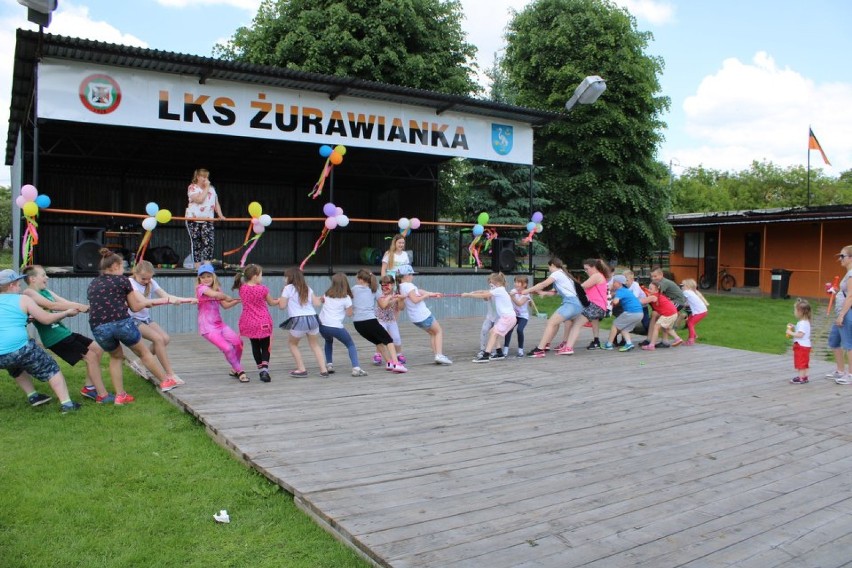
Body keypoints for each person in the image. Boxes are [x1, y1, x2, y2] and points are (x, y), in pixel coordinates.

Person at [88, 249, 181, 403]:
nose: (124, 270)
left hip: (98, 327)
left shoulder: (93, 283)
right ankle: (165, 380)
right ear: (116, 266)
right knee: (144, 353)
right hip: (121, 323)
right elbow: (135, 307)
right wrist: (150, 303)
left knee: (115, 357)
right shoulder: (123, 281)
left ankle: (120, 396)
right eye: (123, 267)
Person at [21, 265, 112, 403]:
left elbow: (65, 302)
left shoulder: (46, 291)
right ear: (32, 279)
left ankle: (89, 388)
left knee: (97, 349)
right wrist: (77, 308)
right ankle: (102, 395)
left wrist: (87, 307)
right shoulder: (28, 293)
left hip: (63, 332)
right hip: (55, 338)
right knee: (91, 357)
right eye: (43, 275)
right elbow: (52, 306)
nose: (47, 277)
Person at [0, 269, 82, 412]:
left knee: (15, 367)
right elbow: (46, 319)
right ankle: (67, 404)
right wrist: (66, 313)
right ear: (11, 285)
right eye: (18, 284)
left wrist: (25, 319)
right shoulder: (23, 299)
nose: (20, 288)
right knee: (51, 368)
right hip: (20, 349)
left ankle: (33, 396)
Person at [128, 261, 196, 385]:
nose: (147, 281)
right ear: (135, 273)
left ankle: (139, 363)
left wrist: (188, 299)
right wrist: (169, 300)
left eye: (149, 278)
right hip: (131, 319)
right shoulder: (130, 283)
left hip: (145, 318)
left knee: (165, 338)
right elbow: (144, 301)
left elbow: (166, 295)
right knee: (158, 339)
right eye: (144, 278)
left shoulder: (151, 282)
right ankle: (170, 374)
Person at [524, 258, 583, 358]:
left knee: (551, 323)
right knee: (554, 323)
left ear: (552, 265)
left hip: (571, 303)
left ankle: (540, 350)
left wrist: (527, 290)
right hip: (577, 304)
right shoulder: (564, 275)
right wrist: (543, 293)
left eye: (549, 267)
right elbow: (554, 292)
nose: (549, 269)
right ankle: (546, 344)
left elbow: (543, 284)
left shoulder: (556, 274)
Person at [196, 263, 245, 382]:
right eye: (203, 277)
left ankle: (235, 368)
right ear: (199, 279)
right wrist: (225, 296)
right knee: (228, 348)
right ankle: (240, 370)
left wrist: (238, 301)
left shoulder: (217, 289)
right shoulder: (201, 288)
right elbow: (216, 295)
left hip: (219, 324)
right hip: (207, 328)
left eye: (208, 276)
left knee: (238, 343)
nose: (206, 279)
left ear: (213, 277)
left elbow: (225, 305)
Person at [351, 269, 407, 373]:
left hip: (357, 324)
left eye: (357, 279)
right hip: (370, 321)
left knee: (378, 341)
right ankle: (396, 364)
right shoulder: (374, 290)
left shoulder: (353, 289)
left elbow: (383, 306)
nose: (356, 281)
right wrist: (392, 297)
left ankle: (389, 362)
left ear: (361, 280)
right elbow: (384, 305)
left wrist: (392, 298)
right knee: (389, 340)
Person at [396, 265, 452, 365]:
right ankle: (439, 355)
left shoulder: (401, 287)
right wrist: (427, 296)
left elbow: (418, 291)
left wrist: (432, 294)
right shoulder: (409, 286)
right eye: (411, 274)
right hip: (423, 315)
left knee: (432, 333)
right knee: (438, 331)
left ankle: (437, 355)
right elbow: (415, 300)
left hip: (415, 319)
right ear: (406, 275)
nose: (412, 276)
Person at [279, 267, 329, 377]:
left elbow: (282, 306)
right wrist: (321, 298)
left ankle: (301, 369)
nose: (284, 279)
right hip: (313, 319)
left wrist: (281, 298)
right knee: (315, 345)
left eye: (285, 277)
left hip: (299, 320)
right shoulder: (307, 288)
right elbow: (317, 303)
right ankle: (323, 370)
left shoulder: (288, 288)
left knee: (292, 344)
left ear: (290, 278)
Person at [233, 264, 277, 383]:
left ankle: (260, 370)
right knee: (265, 346)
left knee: (255, 346)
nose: (262, 278)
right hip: (263, 321)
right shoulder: (262, 289)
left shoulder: (242, 288)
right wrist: (279, 301)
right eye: (261, 275)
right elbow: (271, 302)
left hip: (248, 322)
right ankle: (265, 370)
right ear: (254, 276)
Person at [319, 273, 368, 377]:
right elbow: (349, 314)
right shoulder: (346, 298)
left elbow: (321, 300)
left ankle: (329, 365)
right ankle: (356, 368)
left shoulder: (326, 294)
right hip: (336, 327)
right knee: (350, 344)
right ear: (345, 284)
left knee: (328, 341)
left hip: (322, 326)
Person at [559, 258, 611, 354]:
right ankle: (594, 341)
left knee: (577, 324)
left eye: (587, 269)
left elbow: (581, 287)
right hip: (597, 307)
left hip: (596, 306)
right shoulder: (598, 276)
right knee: (575, 320)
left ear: (594, 267)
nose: (586, 271)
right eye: (585, 269)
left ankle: (568, 348)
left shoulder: (596, 276)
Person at [464, 273, 517, 363]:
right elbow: (484, 292)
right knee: (493, 331)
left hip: (507, 318)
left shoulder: (499, 290)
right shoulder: (500, 290)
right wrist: (472, 293)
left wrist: (469, 295)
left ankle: (486, 355)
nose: (490, 285)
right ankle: (499, 353)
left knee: (494, 333)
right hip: (508, 318)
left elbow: (484, 295)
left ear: (497, 283)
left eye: (491, 283)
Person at [185, 167, 226, 269]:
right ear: (198, 177)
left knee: (208, 242)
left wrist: (220, 215)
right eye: (203, 177)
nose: (205, 179)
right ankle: (197, 267)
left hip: (208, 219)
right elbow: (199, 199)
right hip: (193, 219)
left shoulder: (212, 189)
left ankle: (207, 266)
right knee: (196, 242)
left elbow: (216, 203)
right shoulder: (192, 187)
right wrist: (207, 188)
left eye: (206, 177)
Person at [641, 267, 687, 347]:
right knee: (655, 314)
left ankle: (663, 341)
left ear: (661, 275)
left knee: (661, 316)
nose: (653, 278)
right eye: (652, 276)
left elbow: (656, 295)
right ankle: (650, 339)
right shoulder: (658, 282)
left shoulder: (662, 283)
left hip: (677, 302)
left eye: (655, 276)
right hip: (671, 301)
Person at [827, 246, 852, 384]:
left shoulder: (851, 274)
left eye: (842, 256)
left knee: (849, 344)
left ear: (851, 258)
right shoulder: (848, 273)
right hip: (840, 313)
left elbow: (850, 296)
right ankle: (840, 371)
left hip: (846, 313)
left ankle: (850, 375)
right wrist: (835, 290)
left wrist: (842, 315)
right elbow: (844, 292)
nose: (839, 259)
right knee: (834, 341)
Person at [602, 275, 643, 352]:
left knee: (615, 324)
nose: (613, 284)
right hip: (639, 313)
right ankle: (629, 343)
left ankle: (609, 344)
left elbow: (615, 301)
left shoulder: (620, 291)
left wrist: (610, 301)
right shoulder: (625, 290)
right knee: (624, 329)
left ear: (619, 283)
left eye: (614, 282)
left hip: (631, 312)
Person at [639, 281, 682, 351]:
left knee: (656, 327)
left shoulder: (653, 296)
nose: (649, 290)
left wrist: (632, 298)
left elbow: (642, 301)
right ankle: (678, 339)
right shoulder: (658, 295)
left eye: (650, 289)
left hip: (668, 314)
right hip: (673, 313)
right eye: (648, 288)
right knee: (667, 328)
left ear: (656, 290)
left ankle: (651, 345)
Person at [375, 274, 406, 365]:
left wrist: (401, 300)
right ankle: (378, 354)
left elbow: (401, 308)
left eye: (387, 285)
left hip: (391, 320)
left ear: (392, 285)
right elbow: (384, 306)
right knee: (380, 338)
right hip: (380, 320)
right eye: (382, 285)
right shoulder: (379, 294)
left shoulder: (396, 294)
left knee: (396, 338)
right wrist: (394, 299)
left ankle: (398, 354)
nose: (384, 287)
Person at [503, 275, 531, 358]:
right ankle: (505, 349)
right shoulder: (513, 290)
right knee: (509, 329)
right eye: (515, 282)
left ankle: (520, 350)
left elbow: (519, 304)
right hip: (514, 315)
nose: (516, 284)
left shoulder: (526, 293)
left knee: (519, 330)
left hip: (523, 316)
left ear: (525, 284)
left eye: (519, 282)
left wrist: (512, 296)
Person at [786, 298, 812, 384]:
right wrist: (794, 326)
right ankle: (804, 376)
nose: (794, 312)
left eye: (795, 310)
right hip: (804, 346)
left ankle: (801, 378)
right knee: (804, 361)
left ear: (800, 312)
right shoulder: (804, 322)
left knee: (801, 362)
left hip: (801, 346)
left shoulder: (803, 323)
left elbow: (800, 334)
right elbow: (801, 330)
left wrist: (791, 332)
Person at [680, 278, 709, 345]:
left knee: (690, 324)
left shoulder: (686, 292)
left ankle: (691, 340)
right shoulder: (691, 292)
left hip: (699, 312)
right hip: (701, 311)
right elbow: (687, 303)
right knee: (688, 321)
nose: (682, 287)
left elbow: (680, 298)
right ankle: (694, 335)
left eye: (683, 285)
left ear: (688, 286)